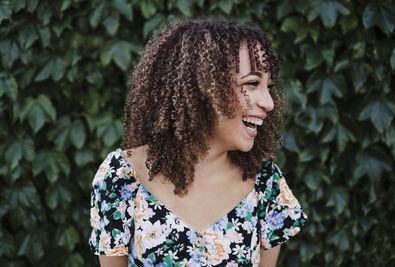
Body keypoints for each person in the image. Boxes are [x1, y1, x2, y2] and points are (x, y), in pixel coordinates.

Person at [89, 20, 307, 267]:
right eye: (252, 83)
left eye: (268, 86)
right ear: (203, 87)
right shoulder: (122, 177)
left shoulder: (266, 183)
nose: (269, 102)